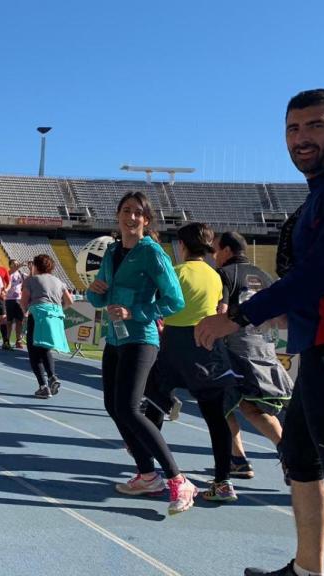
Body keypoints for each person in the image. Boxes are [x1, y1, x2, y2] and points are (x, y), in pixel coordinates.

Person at [196, 89, 324, 575]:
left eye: (316, 126)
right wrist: (287, 313)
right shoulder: (322, 193)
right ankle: (308, 569)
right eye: (293, 129)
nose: (302, 138)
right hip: (318, 347)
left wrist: (240, 315)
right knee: (301, 459)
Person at [86, 191, 197, 516]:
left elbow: (174, 300)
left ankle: (178, 479)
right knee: (113, 405)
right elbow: (100, 300)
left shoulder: (152, 253)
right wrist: (95, 293)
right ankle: (147, 474)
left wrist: (134, 312)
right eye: (125, 210)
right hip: (115, 339)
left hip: (141, 338)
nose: (130, 217)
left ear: (146, 220)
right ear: (118, 215)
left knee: (129, 407)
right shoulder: (112, 252)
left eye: (137, 213)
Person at [155, 223, 239, 503]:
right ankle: (224, 481)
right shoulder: (216, 276)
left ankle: (149, 471)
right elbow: (218, 308)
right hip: (207, 346)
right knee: (216, 417)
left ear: (182, 245)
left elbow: (162, 305)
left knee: (151, 403)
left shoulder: (176, 272)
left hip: (175, 343)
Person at [213, 230, 292, 480]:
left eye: (215, 249)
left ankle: (238, 459)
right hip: (264, 349)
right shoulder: (265, 276)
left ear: (226, 251)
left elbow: (222, 311)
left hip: (233, 351)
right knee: (251, 407)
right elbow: (280, 319)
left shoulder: (224, 274)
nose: (213, 255)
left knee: (219, 407)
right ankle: (283, 454)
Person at [21, 254, 73, 399]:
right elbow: (70, 301)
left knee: (34, 352)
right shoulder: (59, 281)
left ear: (35, 266)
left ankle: (43, 386)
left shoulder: (31, 280)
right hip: (55, 316)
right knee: (45, 348)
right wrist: (59, 308)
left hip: (38, 315)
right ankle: (52, 376)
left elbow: (23, 300)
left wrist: (26, 311)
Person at [5, 259, 28, 348]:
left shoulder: (21, 274)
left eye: (17, 264)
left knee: (19, 321)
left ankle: (18, 340)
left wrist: (31, 268)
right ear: (10, 265)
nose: (16, 265)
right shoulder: (8, 273)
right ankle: (7, 340)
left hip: (19, 300)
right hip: (9, 299)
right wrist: (19, 266)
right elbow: (11, 272)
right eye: (14, 264)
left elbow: (30, 277)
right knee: (9, 321)